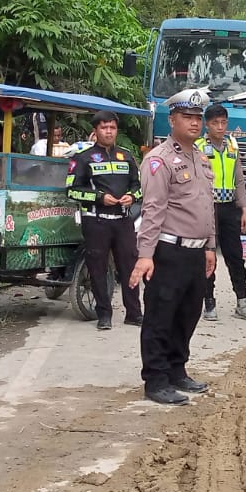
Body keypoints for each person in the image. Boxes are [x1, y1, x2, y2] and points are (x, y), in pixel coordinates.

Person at [129, 88, 217, 405]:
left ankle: (177, 369)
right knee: (160, 316)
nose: (195, 123)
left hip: (196, 252)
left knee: (188, 313)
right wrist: (145, 256)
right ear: (172, 120)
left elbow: (206, 205)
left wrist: (210, 246)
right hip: (168, 251)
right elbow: (153, 210)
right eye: (188, 117)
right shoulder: (159, 160)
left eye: (198, 118)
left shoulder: (201, 157)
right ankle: (155, 379)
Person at [66, 110, 143, 331]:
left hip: (123, 220)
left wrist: (132, 197)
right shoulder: (83, 158)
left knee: (129, 266)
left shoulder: (127, 156)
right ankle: (104, 315)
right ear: (96, 131)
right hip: (96, 221)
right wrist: (100, 198)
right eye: (104, 128)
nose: (108, 132)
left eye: (112, 128)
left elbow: (138, 187)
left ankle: (134, 313)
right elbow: (72, 191)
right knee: (97, 268)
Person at [198, 104, 246, 322]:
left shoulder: (232, 145)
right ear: (207, 124)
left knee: (235, 256)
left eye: (223, 122)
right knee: (208, 255)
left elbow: (239, 179)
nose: (220, 127)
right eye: (215, 123)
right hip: (207, 209)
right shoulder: (197, 147)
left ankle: (242, 302)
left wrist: (244, 207)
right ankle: (209, 302)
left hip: (228, 208)